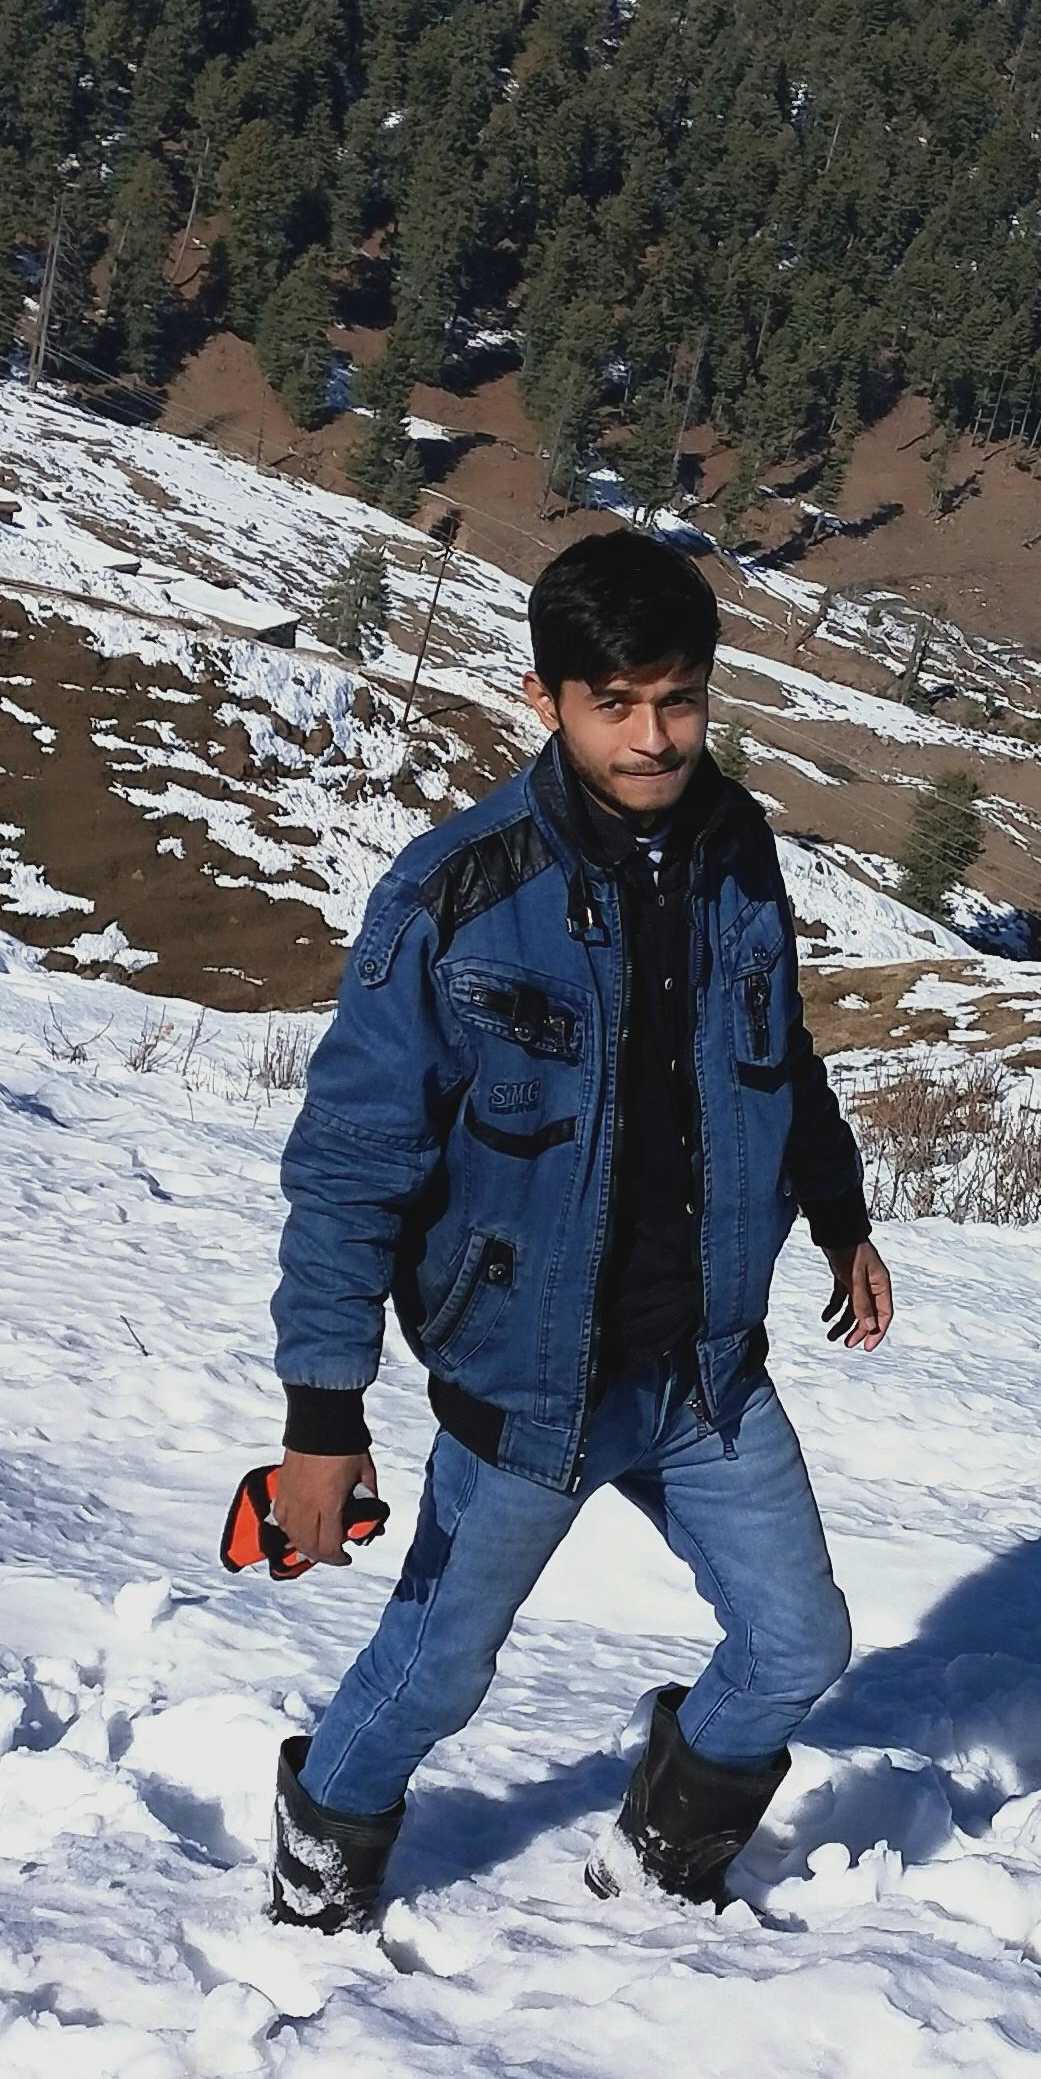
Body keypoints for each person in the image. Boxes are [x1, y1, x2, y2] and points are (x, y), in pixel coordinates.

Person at [263, 526, 892, 1934]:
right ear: (545, 699)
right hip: (529, 1386)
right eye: (617, 704)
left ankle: (663, 1855)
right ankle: (319, 1870)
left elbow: (774, 1053)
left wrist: (838, 1208)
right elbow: (351, 1164)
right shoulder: (456, 893)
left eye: (679, 700)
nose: (655, 736)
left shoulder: (734, 850)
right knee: (433, 1675)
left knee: (798, 1645)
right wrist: (321, 1415)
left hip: (702, 1373)